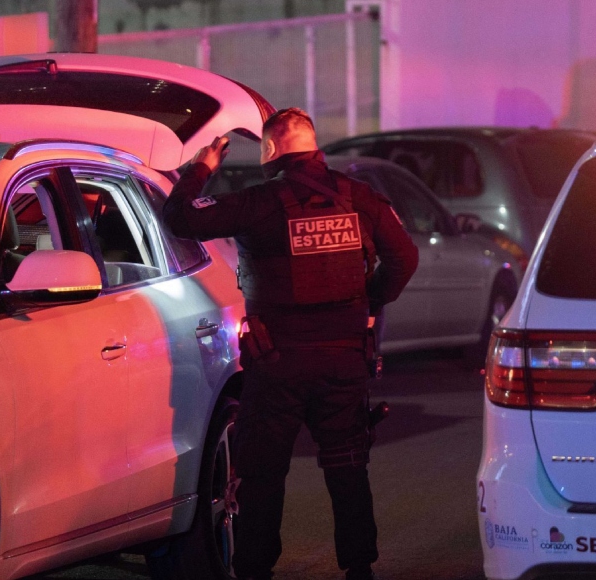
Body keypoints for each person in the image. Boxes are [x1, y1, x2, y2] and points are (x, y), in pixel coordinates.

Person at [162, 108, 418, 580]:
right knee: (347, 467)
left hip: (277, 363)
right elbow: (404, 256)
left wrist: (202, 166)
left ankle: (256, 570)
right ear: (313, 146)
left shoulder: (259, 203)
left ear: (272, 151)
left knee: (262, 475)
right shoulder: (360, 199)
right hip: (344, 358)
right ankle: (359, 568)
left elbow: (178, 217)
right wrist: (369, 301)